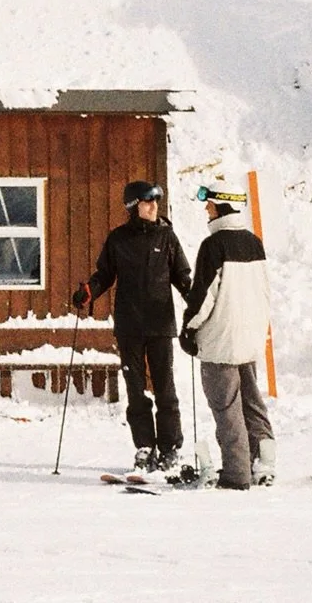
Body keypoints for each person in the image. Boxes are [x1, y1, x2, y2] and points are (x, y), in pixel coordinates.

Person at [73, 179, 191, 471]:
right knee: (136, 390)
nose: (153, 207)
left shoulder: (167, 238)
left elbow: (183, 277)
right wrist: (89, 291)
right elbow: (105, 274)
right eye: (147, 202)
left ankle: (170, 448)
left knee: (165, 389)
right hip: (129, 327)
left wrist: (197, 300)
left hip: (161, 325)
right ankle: (144, 447)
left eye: (156, 202)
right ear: (133, 206)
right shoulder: (118, 239)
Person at [178, 188, 275, 491]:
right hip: (249, 337)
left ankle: (236, 474)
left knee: (226, 406)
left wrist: (189, 330)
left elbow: (204, 296)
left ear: (222, 208)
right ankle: (264, 465)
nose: (206, 212)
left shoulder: (213, 246)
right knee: (252, 403)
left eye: (209, 207)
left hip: (220, 341)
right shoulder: (254, 243)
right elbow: (264, 290)